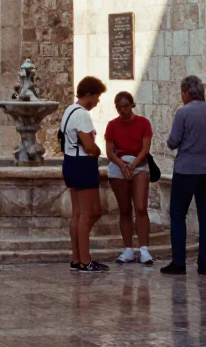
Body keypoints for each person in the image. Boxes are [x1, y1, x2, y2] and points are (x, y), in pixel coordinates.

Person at [162, 75, 206, 277]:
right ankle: (204, 264)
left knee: (178, 214)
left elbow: (173, 141)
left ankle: (179, 262)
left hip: (187, 170)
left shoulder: (183, 113)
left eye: (182, 93)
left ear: (186, 92)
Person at [60, 76, 109, 274]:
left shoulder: (69, 111)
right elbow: (89, 146)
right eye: (97, 97)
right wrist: (97, 151)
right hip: (82, 164)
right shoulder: (82, 115)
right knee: (86, 214)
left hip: (70, 163)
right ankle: (85, 260)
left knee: (80, 213)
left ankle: (77, 257)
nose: (98, 102)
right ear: (88, 95)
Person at [105, 91, 154, 266]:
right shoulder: (112, 125)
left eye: (124, 106)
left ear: (132, 105)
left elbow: (145, 149)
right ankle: (127, 249)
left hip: (138, 165)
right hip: (119, 166)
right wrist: (122, 165)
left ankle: (144, 249)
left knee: (140, 207)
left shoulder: (143, 123)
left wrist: (133, 165)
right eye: (118, 106)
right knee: (125, 209)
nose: (121, 109)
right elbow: (109, 151)